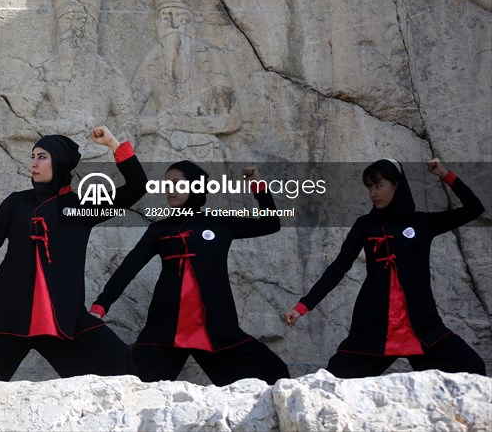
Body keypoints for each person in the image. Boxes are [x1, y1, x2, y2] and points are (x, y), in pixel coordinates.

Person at [0, 127, 140, 380]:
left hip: (63, 318)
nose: (33, 164)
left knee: (115, 360)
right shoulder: (16, 203)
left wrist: (113, 144)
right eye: (32, 157)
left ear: (60, 162)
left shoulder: (82, 207)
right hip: (7, 314)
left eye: (42, 157)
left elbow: (138, 186)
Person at [91, 157, 290, 385]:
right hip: (165, 328)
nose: (170, 190)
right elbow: (129, 267)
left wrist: (257, 185)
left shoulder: (219, 222)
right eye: (166, 185)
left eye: (177, 183)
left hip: (217, 327)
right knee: (131, 386)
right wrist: (101, 305)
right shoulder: (160, 229)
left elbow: (270, 223)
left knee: (274, 372)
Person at [282, 158, 486, 378]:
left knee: (472, 368)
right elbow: (338, 267)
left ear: (397, 185)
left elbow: (475, 208)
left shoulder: (422, 223)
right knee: (333, 382)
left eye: (379, 185)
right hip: (375, 326)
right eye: (370, 187)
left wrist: (445, 174)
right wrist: (303, 306)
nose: (373, 193)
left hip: (422, 327)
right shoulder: (365, 225)